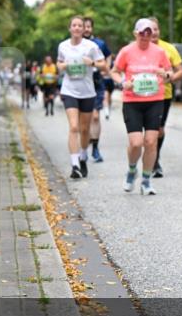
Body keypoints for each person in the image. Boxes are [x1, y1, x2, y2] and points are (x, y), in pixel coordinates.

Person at [111, 18, 171, 195]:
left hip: (155, 100)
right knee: (136, 143)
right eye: (142, 32)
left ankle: (146, 180)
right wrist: (123, 82)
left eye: (149, 32)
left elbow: (170, 73)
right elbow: (114, 71)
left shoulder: (159, 52)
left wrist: (165, 74)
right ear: (135, 33)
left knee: (151, 142)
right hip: (132, 101)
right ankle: (131, 170)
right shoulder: (126, 51)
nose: (145, 36)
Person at [57, 16, 107, 179]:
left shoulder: (91, 46)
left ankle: (83, 156)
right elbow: (59, 63)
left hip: (87, 92)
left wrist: (91, 63)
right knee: (74, 127)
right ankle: (75, 165)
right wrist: (63, 66)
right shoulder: (63, 46)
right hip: (69, 90)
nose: (77, 28)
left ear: (83, 29)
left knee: (85, 129)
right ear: (70, 28)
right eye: (74, 25)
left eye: (80, 25)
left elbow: (103, 65)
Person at [148, 17, 182, 178]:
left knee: (159, 129)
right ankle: (150, 158)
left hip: (164, 94)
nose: (153, 32)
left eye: (156, 29)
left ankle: (155, 161)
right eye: (150, 30)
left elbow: (180, 71)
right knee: (148, 131)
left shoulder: (168, 48)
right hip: (142, 95)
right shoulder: (139, 48)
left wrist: (170, 78)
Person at [82, 17, 113, 163]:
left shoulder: (99, 43)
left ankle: (95, 148)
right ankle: (84, 146)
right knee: (84, 119)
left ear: (92, 28)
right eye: (84, 26)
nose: (86, 29)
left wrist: (106, 69)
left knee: (95, 116)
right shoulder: (75, 44)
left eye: (89, 26)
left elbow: (108, 56)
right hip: (81, 83)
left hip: (96, 82)